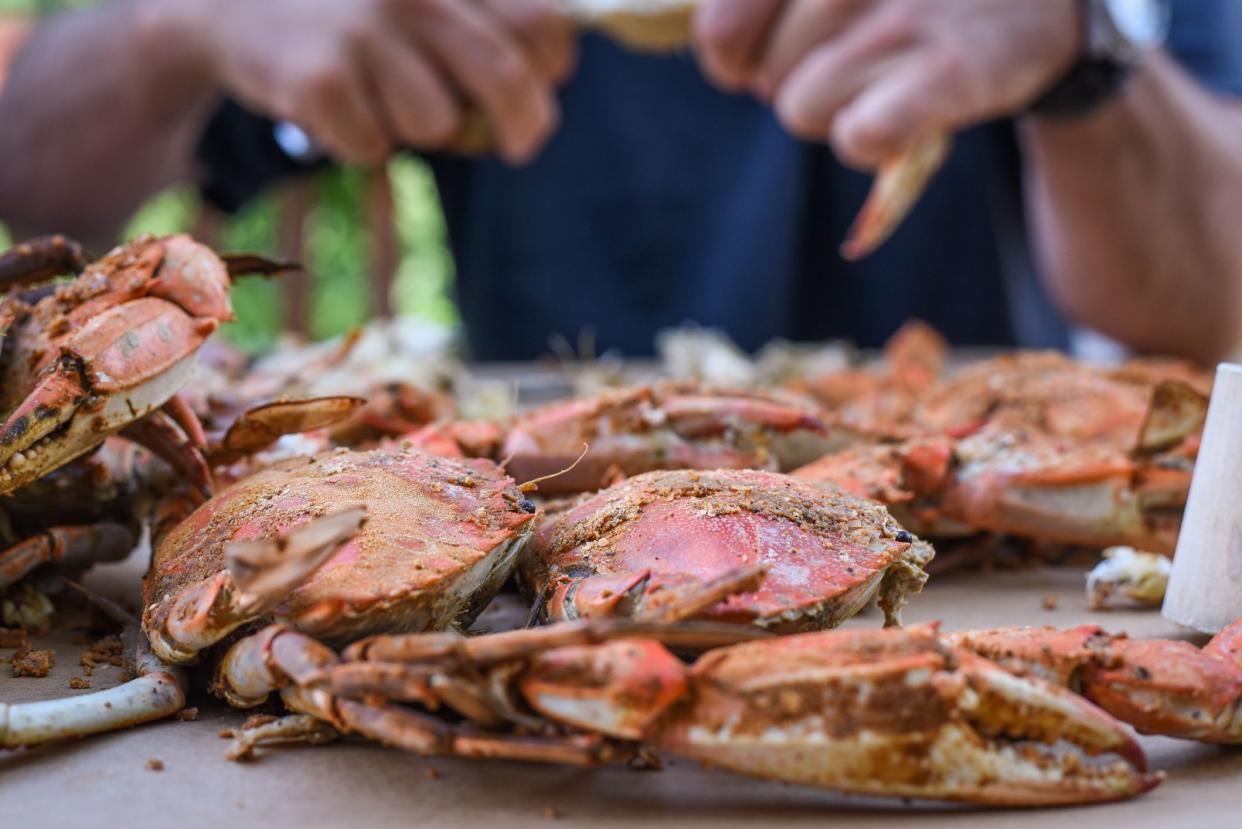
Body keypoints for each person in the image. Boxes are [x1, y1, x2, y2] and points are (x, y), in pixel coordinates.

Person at [0, 0, 1240, 364]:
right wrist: (182, 21)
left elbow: (1220, 302)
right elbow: (32, 170)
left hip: (975, 559)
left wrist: (1079, 50)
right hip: (499, 575)